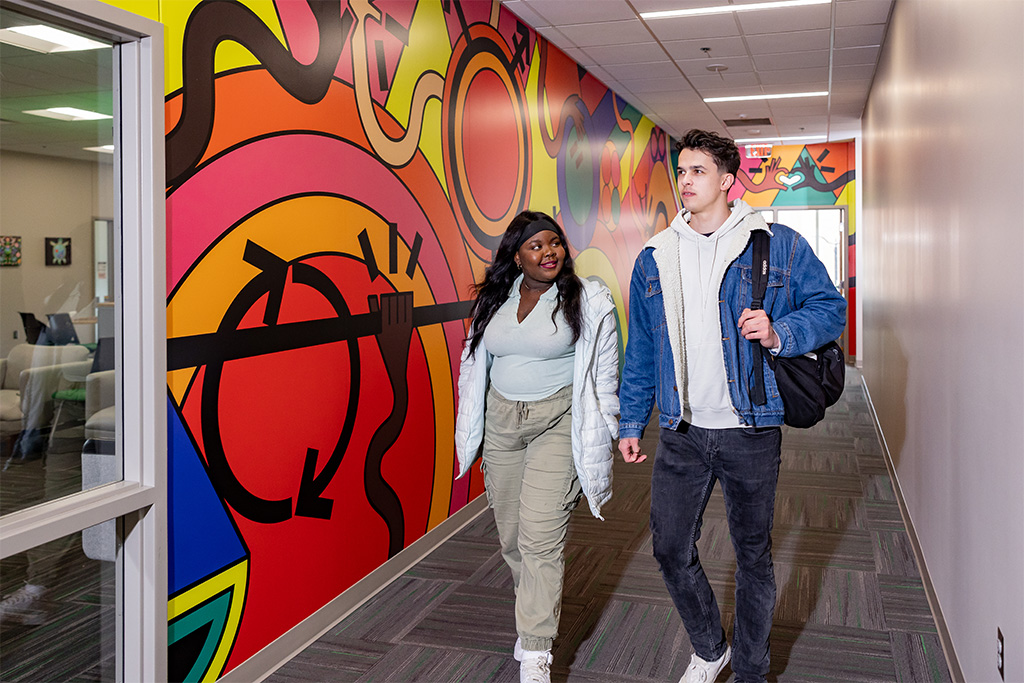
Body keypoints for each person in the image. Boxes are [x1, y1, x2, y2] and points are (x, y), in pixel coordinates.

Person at [617, 130, 846, 683]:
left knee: (752, 556)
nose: (686, 180)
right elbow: (643, 347)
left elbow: (830, 308)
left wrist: (779, 331)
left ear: (727, 180)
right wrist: (631, 419)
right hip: (682, 429)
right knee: (670, 548)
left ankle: (750, 669)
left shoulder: (775, 243)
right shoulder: (655, 258)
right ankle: (709, 647)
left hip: (751, 427)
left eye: (698, 170)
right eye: (682, 171)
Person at [455, 210, 619, 683]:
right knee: (512, 538)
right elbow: (474, 365)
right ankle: (532, 618)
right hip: (502, 423)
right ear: (516, 254)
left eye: (555, 243)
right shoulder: (494, 300)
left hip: (558, 419)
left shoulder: (587, 299)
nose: (549, 252)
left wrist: (613, 427)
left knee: (541, 535)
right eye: (536, 245)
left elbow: (603, 371)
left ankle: (535, 649)